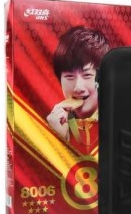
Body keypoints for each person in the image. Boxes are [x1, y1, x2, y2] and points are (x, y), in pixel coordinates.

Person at [47, 26, 110, 155]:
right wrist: (57, 139)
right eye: (69, 77)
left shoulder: (118, 122)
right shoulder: (52, 124)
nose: (78, 88)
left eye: (87, 75)